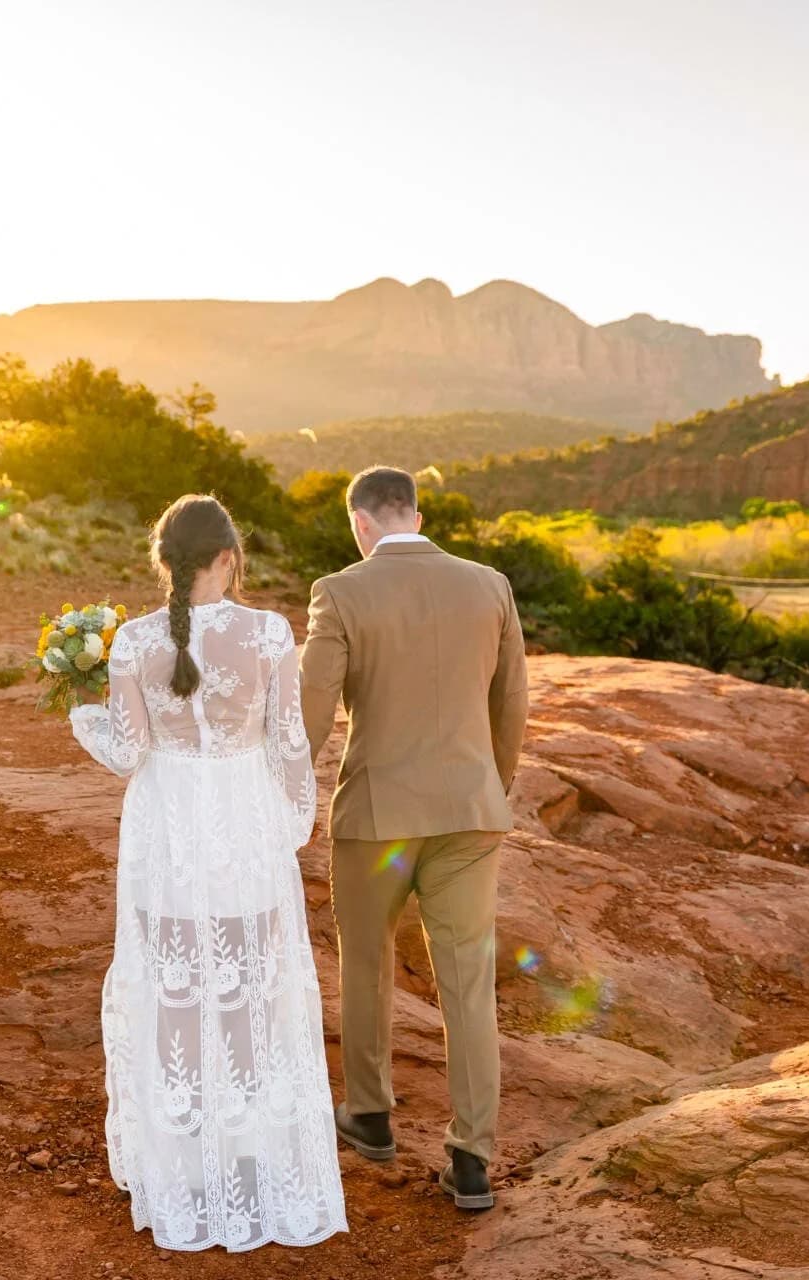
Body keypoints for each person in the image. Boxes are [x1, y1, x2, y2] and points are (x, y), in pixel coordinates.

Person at [69, 494, 348, 1253]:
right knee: (249, 980)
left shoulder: (129, 640)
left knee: (176, 985)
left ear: (165, 562)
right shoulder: (268, 633)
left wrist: (83, 716)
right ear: (229, 557)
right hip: (243, 827)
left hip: (166, 832)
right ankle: (254, 1153)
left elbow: (127, 754)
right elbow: (291, 745)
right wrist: (290, 825)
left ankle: (188, 1162)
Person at [298, 465, 528, 1211]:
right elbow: (512, 703)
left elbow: (311, 714)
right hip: (469, 812)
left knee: (367, 965)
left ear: (359, 523)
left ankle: (369, 1118)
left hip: (377, 820)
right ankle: (472, 1158)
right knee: (468, 983)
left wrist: (280, 794)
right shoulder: (489, 584)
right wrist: (487, 785)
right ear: (417, 517)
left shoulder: (340, 591)